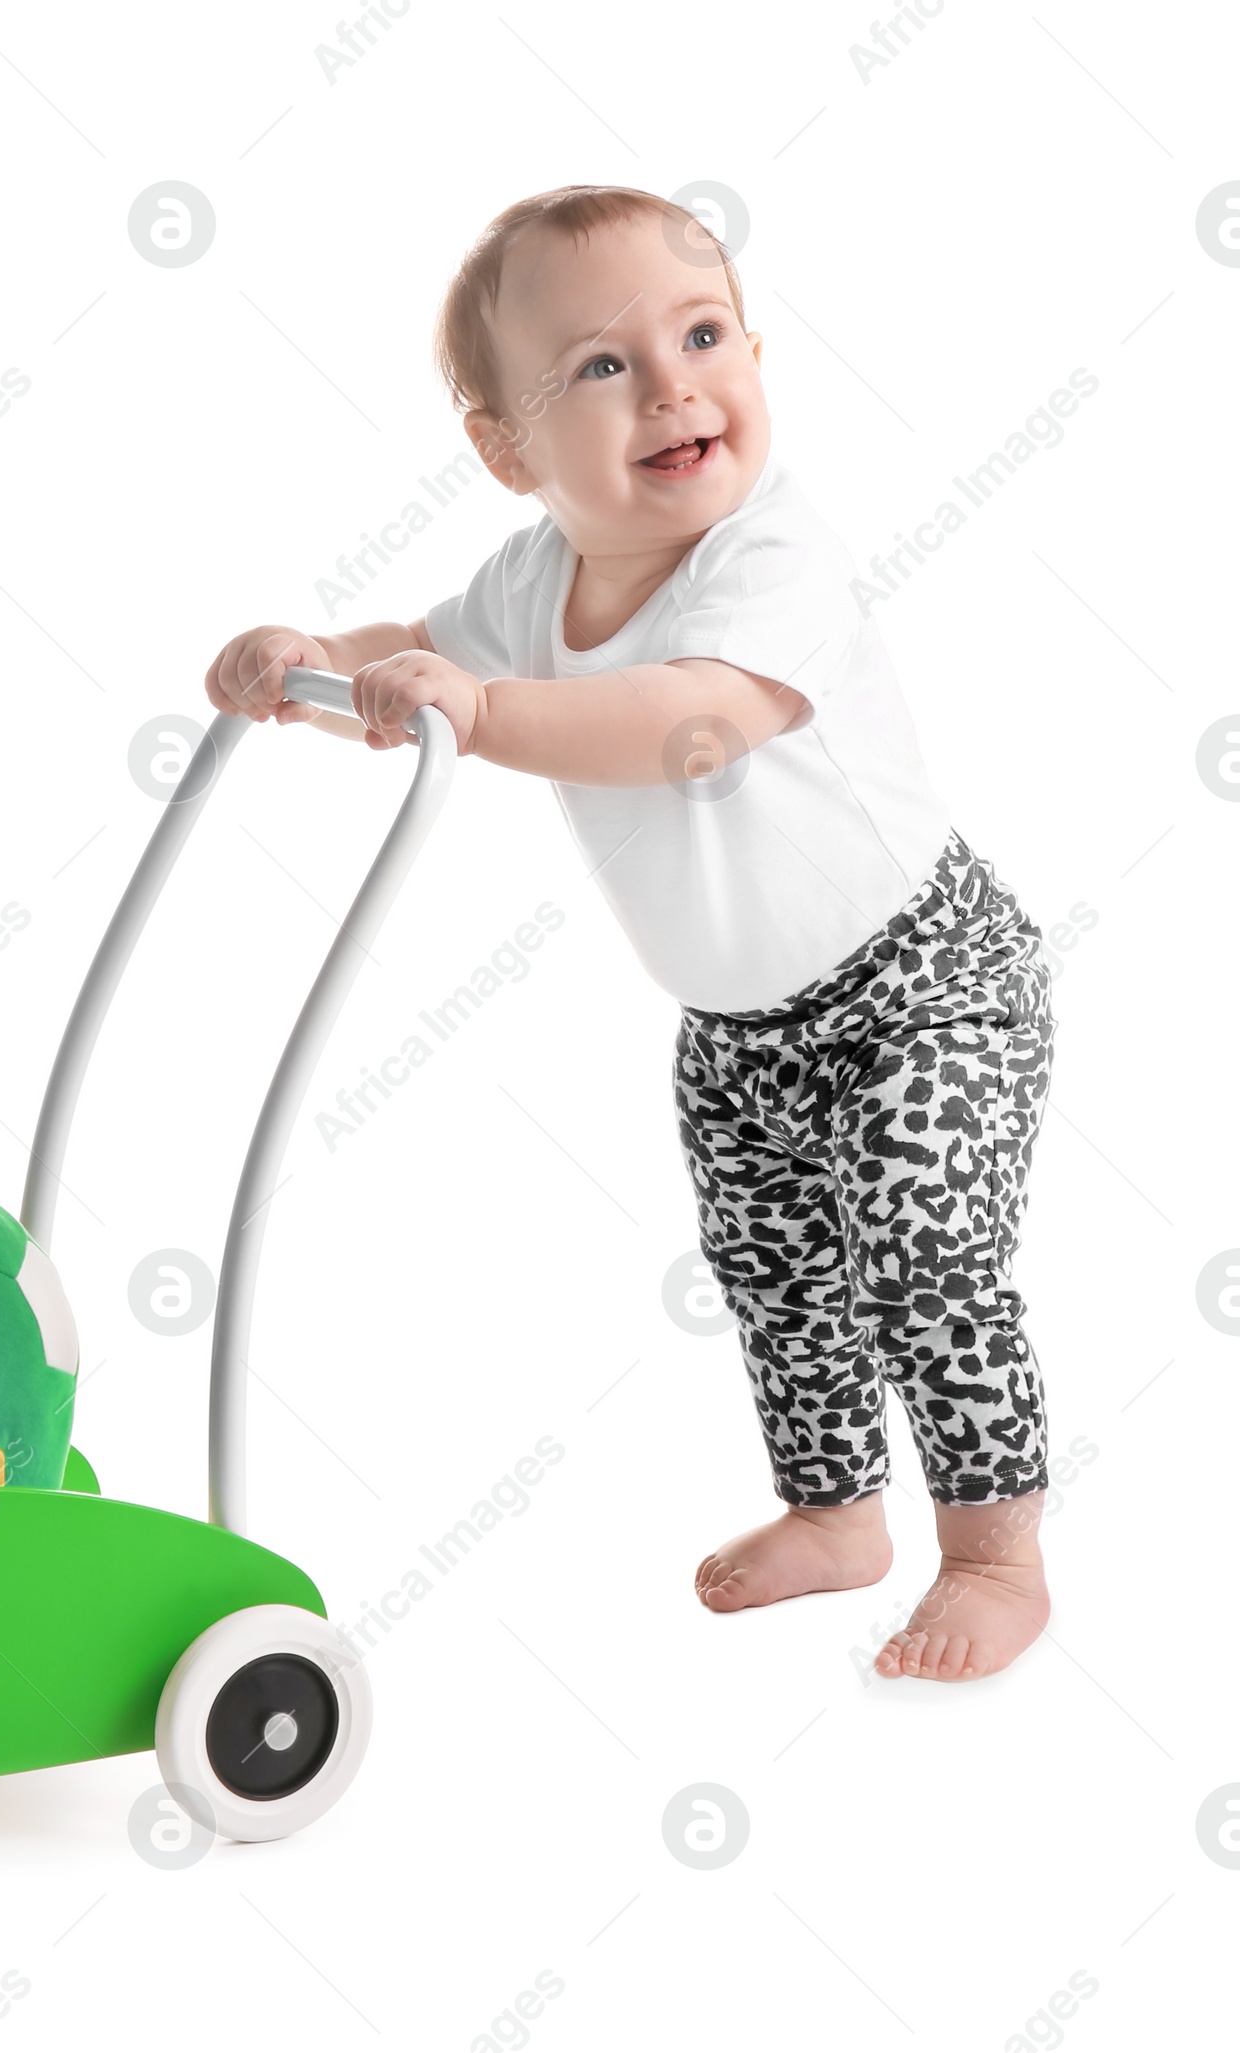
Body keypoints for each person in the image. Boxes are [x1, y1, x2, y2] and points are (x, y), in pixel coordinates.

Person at [204, 184, 1056, 1683]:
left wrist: (486, 711)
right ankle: (837, 1507)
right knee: (774, 1267)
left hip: (924, 980)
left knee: (921, 1240)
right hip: (737, 1029)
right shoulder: (535, 583)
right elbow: (422, 655)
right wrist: (314, 659)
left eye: (703, 334)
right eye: (601, 367)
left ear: (754, 352)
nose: (672, 385)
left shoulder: (768, 553)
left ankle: (993, 1548)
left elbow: (691, 723)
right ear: (507, 452)